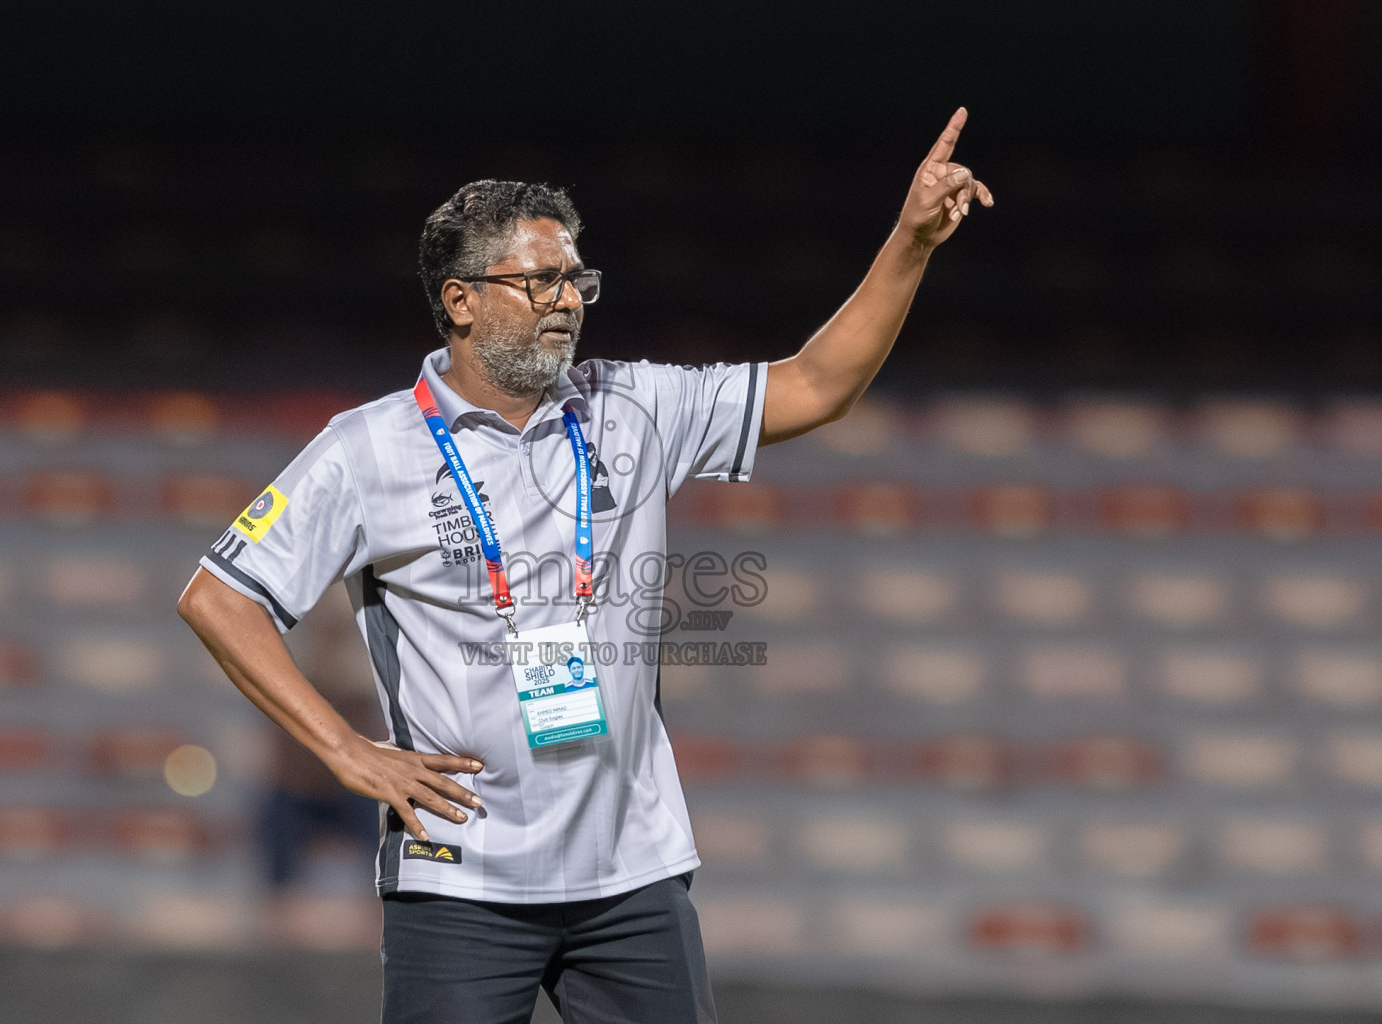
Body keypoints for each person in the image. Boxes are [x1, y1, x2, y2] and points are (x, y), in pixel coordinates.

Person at [178, 108, 991, 1024]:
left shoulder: (629, 402)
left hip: (630, 878)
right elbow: (218, 597)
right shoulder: (365, 449)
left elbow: (817, 385)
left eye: (576, 278)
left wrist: (912, 242)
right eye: (541, 280)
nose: (568, 299)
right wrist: (346, 751)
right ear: (461, 300)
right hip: (463, 885)